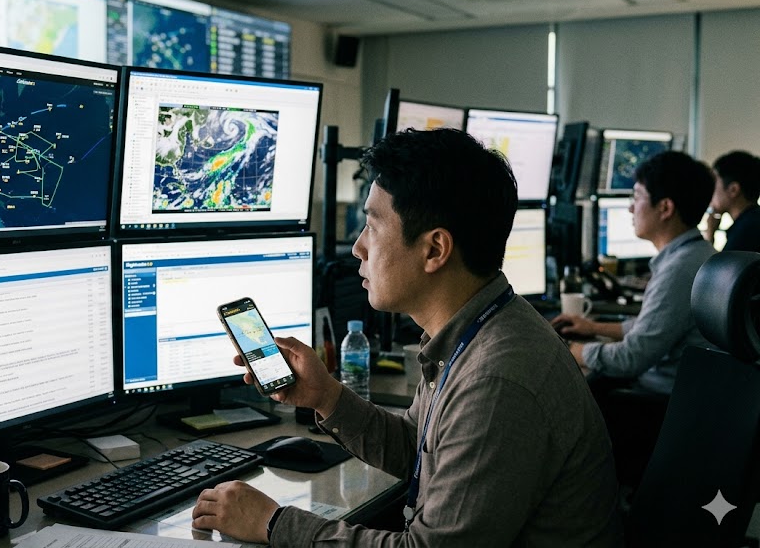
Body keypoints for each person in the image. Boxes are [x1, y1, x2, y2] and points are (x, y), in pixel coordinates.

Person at [191, 129, 622, 547]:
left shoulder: (496, 379)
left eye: (373, 228)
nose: (358, 248)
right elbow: (420, 451)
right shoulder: (476, 330)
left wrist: (272, 523)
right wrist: (326, 396)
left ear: (435, 250)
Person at [553, 151, 716, 395]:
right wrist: (593, 327)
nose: (630, 208)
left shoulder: (679, 271)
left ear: (665, 208)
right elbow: (651, 328)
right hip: (682, 398)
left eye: (637, 196)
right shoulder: (698, 255)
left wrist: (573, 350)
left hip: (657, 407)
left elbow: (632, 357)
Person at [705, 150, 760, 253]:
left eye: (714, 184)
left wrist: (709, 237)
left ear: (733, 190)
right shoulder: (752, 220)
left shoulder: (746, 231)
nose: (710, 190)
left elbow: (720, 268)